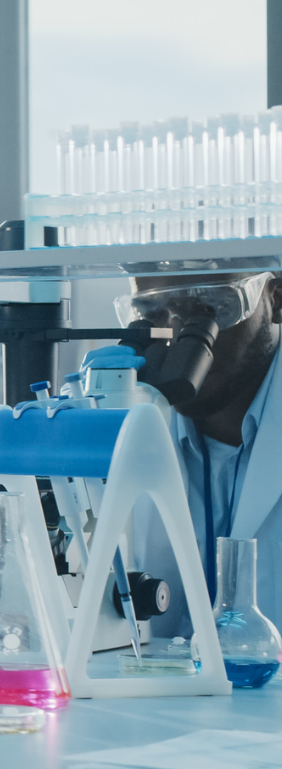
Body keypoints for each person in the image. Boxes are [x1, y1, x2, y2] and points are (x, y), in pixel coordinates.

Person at [123, 270, 282, 632]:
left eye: (210, 307)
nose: (180, 335)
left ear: (276, 300)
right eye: (153, 311)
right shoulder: (119, 425)